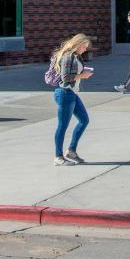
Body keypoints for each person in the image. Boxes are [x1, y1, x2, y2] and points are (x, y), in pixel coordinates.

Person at [50, 33, 93, 165]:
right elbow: (65, 78)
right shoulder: (68, 56)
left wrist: (83, 72)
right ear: (78, 44)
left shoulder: (75, 56)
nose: (85, 49)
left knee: (84, 120)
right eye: (84, 47)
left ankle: (71, 151)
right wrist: (82, 75)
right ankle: (58, 157)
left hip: (71, 93)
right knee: (62, 126)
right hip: (64, 93)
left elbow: (72, 72)